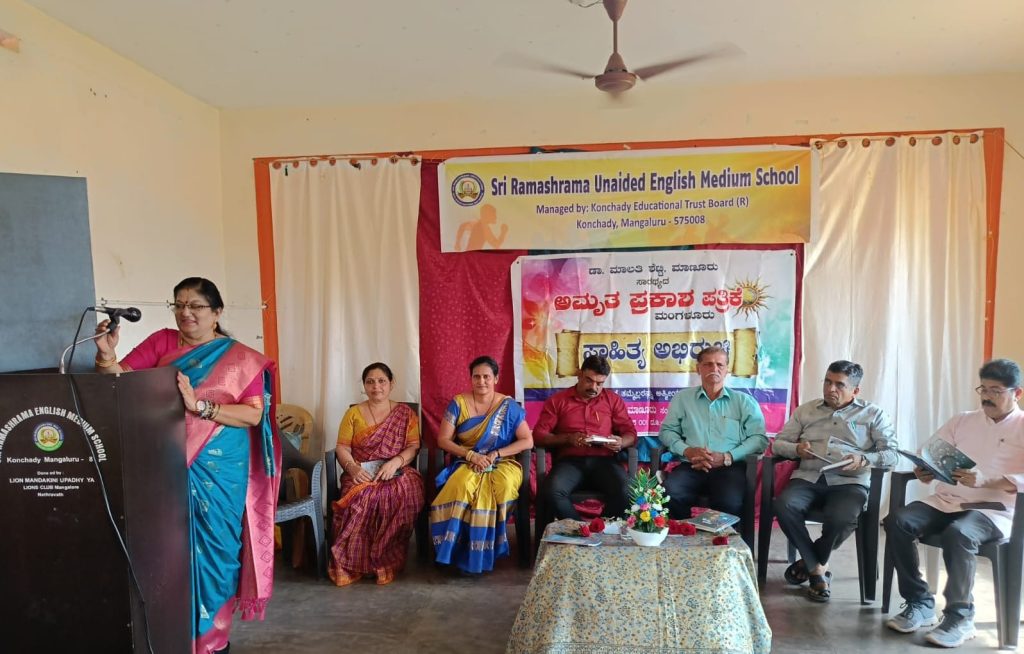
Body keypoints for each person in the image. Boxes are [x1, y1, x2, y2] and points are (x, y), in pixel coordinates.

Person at [94, 277, 280, 654]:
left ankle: (213, 641)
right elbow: (121, 386)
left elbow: (252, 415)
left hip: (221, 468)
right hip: (166, 461)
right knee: (168, 549)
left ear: (217, 312)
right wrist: (106, 357)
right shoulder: (162, 342)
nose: (185, 313)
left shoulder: (240, 358)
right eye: (179, 305)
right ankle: (172, 636)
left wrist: (201, 407)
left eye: (195, 305)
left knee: (217, 549)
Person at [884, 358, 1024, 648]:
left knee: (959, 534)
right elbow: (929, 451)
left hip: (995, 509)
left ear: (1017, 393)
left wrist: (988, 480)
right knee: (897, 521)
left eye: (996, 391)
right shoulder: (963, 420)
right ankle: (919, 601)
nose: (987, 396)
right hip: (947, 500)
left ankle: (960, 617)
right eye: (983, 389)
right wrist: (925, 470)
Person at [771, 360, 897, 602]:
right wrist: (797, 449)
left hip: (849, 482)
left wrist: (863, 459)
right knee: (784, 505)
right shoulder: (806, 410)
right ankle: (818, 568)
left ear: (855, 390)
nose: (831, 389)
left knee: (843, 517)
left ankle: (810, 563)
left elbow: (892, 454)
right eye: (828, 382)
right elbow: (778, 444)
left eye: (839, 385)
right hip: (808, 477)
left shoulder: (873, 414)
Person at [429, 355, 533, 574]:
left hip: (502, 462)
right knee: (461, 485)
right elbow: (443, 440)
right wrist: (470, 456)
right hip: (467, 460)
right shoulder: (458, 403)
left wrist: (497, 453)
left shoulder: (508, 406)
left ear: (496, 378)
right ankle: (454, 551)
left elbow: (527, 440)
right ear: (471, 378)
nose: (481, 381)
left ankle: (485, 551)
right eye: (476, 376)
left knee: (503, 486)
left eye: (486, 376)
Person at [328, 362, 425, 587]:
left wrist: (395, 462)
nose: (376, 386)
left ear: (391, 384)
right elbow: (342, 447)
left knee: (403, 493)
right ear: (364, 385)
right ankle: (357, 563)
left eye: (381, 381)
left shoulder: (405, 413)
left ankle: (384, 561)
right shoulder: (353, 413)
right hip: (361, 472)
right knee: (362, 499)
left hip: (396, 470)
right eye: (370, 382)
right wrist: (352, 468)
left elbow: (413, 446)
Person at [657, 345, 768, 531]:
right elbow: (667, 431)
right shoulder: (682, 399)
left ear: (727, 370)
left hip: (729, 467)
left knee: (729, 501)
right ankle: (684, 538)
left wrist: (727, 457)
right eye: (708, 364)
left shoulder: (743, 402)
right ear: (698, 368)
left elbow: (759, 439)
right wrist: (687, 451)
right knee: (669, 494)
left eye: (719, 365)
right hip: (691, 465)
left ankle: (721, 544)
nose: (714, 369)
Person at [533, 355, 637, 521]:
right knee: (553, 491)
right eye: (589, 380)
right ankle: (580, 531)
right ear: (579, 374)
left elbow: (631, 433)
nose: (594, 387)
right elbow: (539, 436)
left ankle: (600, 529)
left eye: (599, 383)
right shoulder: (558, 400)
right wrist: (568, 438)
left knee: (628, 491)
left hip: (604, 462)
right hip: (570, 462)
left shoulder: (612, 400)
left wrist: (620, 442)